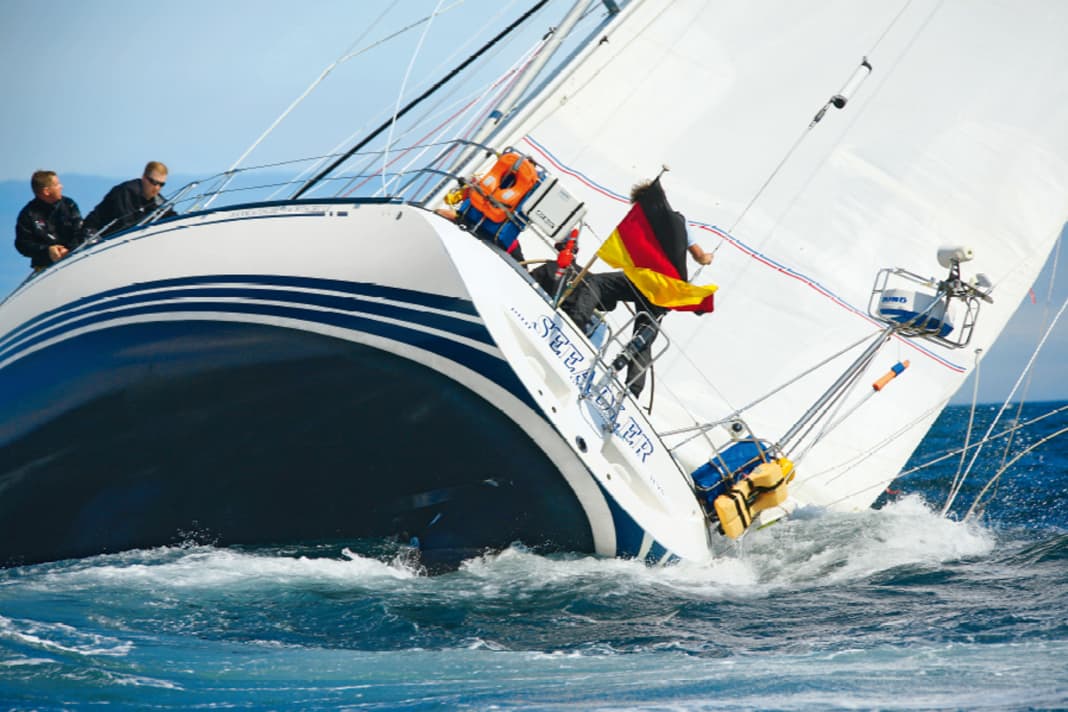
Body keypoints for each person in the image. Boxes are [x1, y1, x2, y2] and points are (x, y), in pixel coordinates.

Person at [83, 161, 176, 238]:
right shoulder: (125, 192)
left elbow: (171, 219)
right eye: (153, 182)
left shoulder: (159, 202)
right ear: (144, 178)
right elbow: (125, 226)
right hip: (95, 237)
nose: (156, 188)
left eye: (161, 184)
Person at [14, 170, 85, 270]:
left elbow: (80, 230)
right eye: (57, 184)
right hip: (45, 267)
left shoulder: (69, 205)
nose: (61, 187)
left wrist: (69, 249)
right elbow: (23, 244)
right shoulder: (28, 214)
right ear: (46, 191)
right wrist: (47, 251)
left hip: (74, 259)